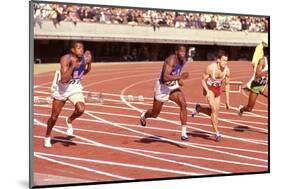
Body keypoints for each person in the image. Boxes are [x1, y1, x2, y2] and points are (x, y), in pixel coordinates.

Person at [44, 41, 92, 148]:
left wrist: (89, 63)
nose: (81, 50)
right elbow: (64, 79)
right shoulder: (65, 59)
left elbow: (87, 70)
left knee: (81, 109)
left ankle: (69, 120)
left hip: (75, 88)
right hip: (62, 89)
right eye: (78, 48)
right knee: (54, 117)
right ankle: (47, 136)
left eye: (82, 48)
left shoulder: (86, 58)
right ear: (73, 50)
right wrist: (72, 67)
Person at [140, 45, 190, 141]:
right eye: (181, 52)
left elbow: (177, 72)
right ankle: (144, 115)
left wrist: (179, 80)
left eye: (184, 52)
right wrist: (179, 77)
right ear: (176, 52)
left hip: (172, 87)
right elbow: (165, 77)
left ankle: (184, 133)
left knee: (183, 104)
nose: (183, 54)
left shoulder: (183, 60)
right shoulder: (171, 60)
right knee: (155, 114)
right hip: (162, 88)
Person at [191, 50, 230, 141]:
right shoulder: (210, 68)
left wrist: (227, 100)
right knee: (213, 110)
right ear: (218, 60)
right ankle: (216, 133)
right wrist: (207, 91)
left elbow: (227, 84)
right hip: (209, 89)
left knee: (215, 112)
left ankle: (199, 109)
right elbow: (202, 80)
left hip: (218, 91)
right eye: (224, 60)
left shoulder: (227, 71)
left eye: (226, 60)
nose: (225, 62)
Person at [238, 47, 268, 115]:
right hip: (256, 86)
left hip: (263, 85)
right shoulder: (262, 61)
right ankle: (241, 109)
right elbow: (257, 75)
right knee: (249, 108)